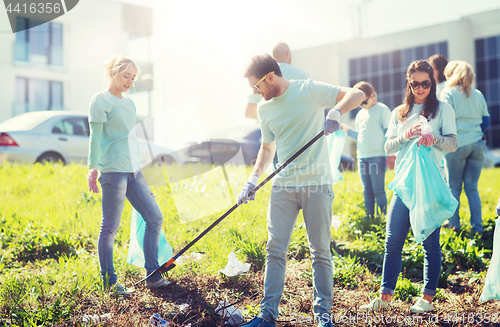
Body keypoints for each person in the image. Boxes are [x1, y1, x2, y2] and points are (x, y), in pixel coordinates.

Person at [238, 54, 364, 327]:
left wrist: (336, 111)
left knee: (320, 251)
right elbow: (267, 148)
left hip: (317, 184)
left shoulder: (308, 89)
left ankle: (323, 319)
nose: (255, 93)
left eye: (256, 87)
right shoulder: (264, 109)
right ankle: (267, 317)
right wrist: (252, 178)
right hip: (283, 186)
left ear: (270, 77)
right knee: (274, 251)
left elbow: (358, 93)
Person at [360, 60, 457, 313]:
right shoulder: (399, 112)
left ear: (432, 83)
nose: (420, 88)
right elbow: (388, 147)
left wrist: (433, 138)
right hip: (403, 184)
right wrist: (407, 135)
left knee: (430, 244)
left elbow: (453, 144)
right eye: (415, 83)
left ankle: (426, 299)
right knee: (392, 242)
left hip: (430, 183)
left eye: (425, 83)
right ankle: (384, 297)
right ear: (409, 83)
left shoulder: (443, 109)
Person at [86, 55, 170, 294]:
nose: (130, 81)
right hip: (112, 170)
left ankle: (153, 275)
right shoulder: (100, 100)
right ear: (113, 71)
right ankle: (110, 283)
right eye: (126, 76)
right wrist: (93, 166)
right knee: (110, 228)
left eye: (133, 78)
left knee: (154, 218)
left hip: (133, 171)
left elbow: (130, 138)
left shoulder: (130, 103)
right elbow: (96, 136)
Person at [441, 60, 490, 235]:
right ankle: (477, 228)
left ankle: (455, 226)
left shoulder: (448, 93)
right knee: (472, 188)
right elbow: (486, 122)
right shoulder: (478, 94)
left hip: (456, 146)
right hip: (477, 145)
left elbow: (444, 120)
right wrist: (474, 134)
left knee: (454, 187)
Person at [340, 81, 391, 218]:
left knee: (378, 189)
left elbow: (389, 132)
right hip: (362, 156)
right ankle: (369, 218)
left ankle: (383, 218)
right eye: (359, 102)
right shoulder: (360, 115)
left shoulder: (382, 109)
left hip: (377, 155)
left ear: (372, 95)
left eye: (364, 100)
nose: (362, 104)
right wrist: (345, 129)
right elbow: (359, 135)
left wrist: (390, 153)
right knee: (367, 190)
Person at [244, 42, 311, 120]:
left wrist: (272, 120)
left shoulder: (260, 79)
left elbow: (249, 112)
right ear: (288, 54)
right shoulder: (303, 75)